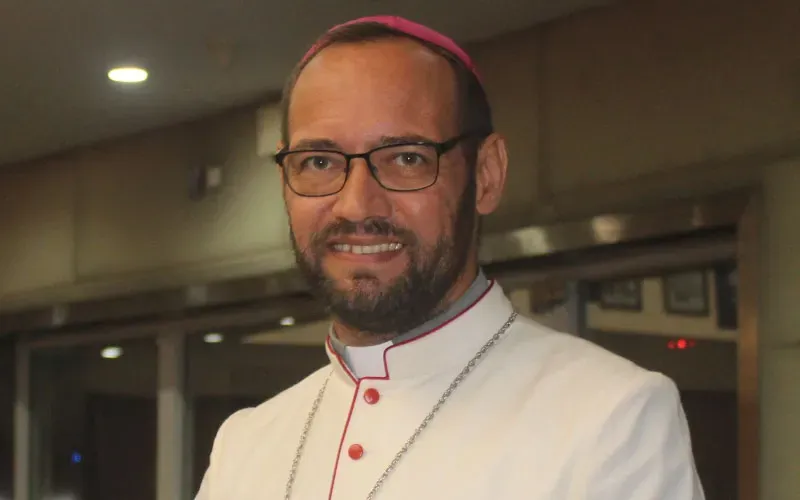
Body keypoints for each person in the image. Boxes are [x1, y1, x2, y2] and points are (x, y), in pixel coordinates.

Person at [195, 15, 705, 500]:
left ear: (486, 175)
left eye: (407, 158)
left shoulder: (609, 419)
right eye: (319, 161)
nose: (356, 205)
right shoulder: (245, 445)